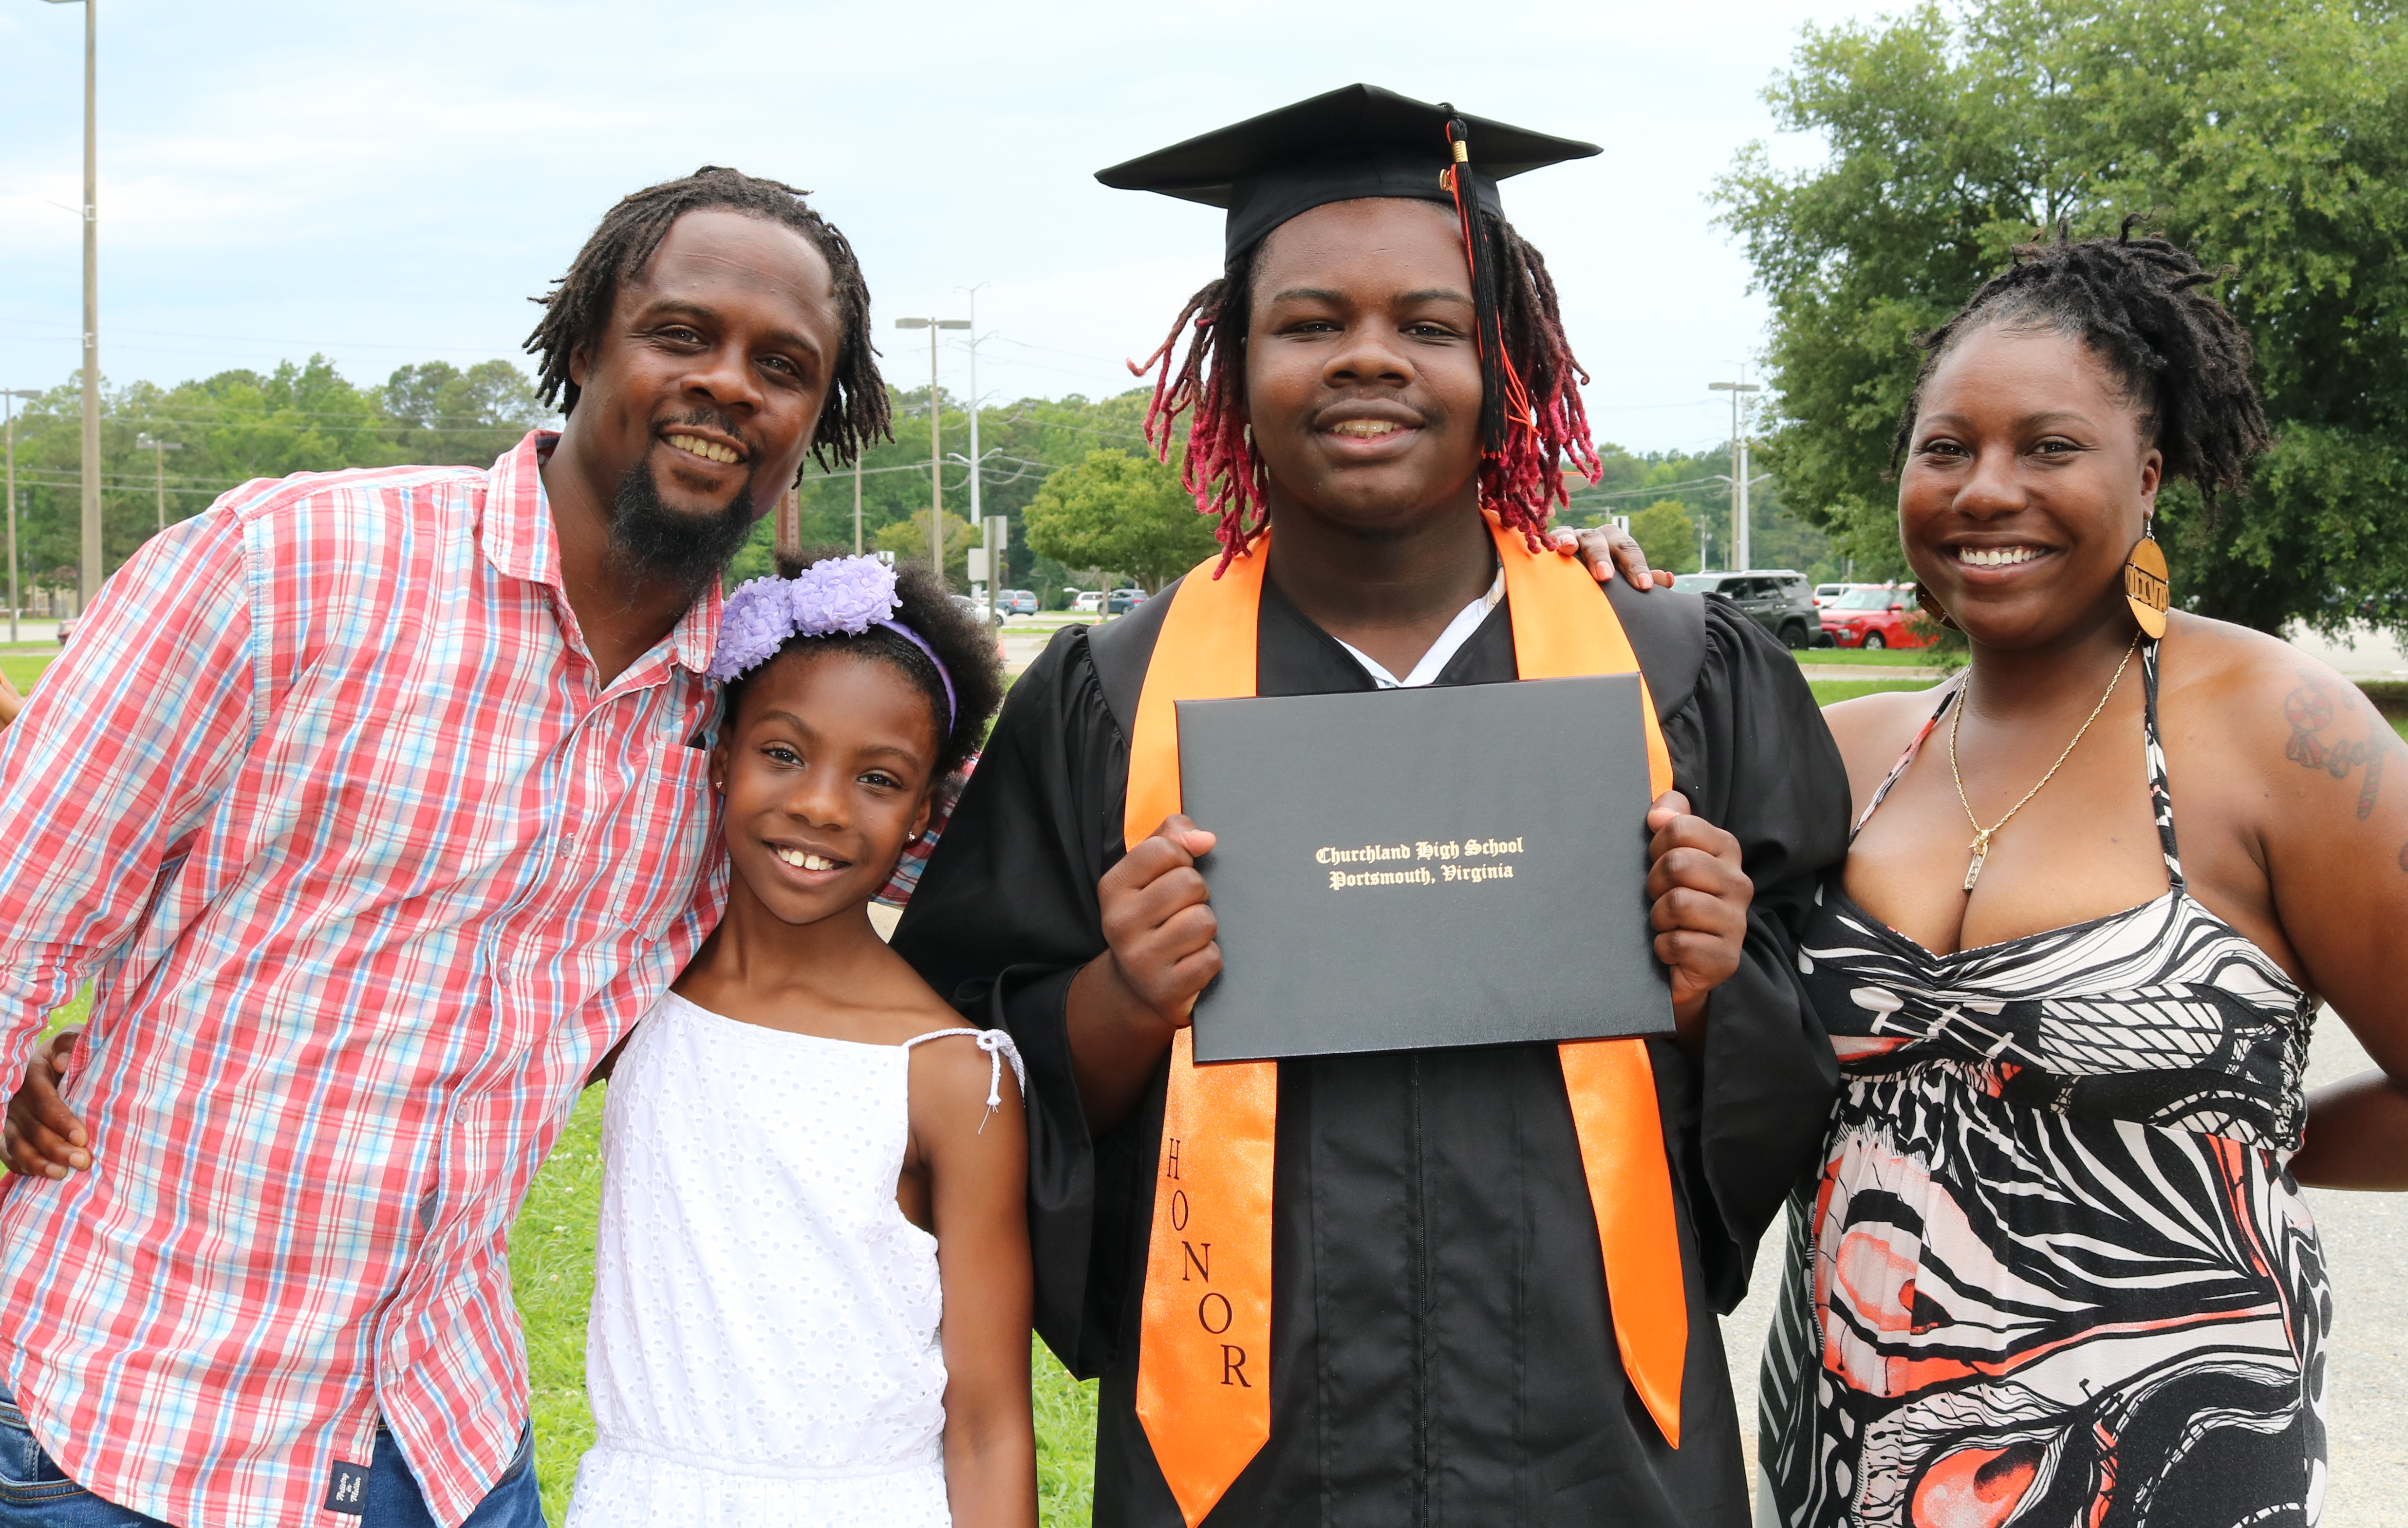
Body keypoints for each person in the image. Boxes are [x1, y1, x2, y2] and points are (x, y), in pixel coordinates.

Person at [893, 84, 1851, 1526]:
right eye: (1306, 321)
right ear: (1234, 366)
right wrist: (1116, 999)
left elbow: (1823, 1041)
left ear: (1499, 359)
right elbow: (952, 1076)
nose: (1367, 361)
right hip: (1250, 1461)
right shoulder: (1112, 694)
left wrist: (1720, 984)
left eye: (1427, 323)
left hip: (1599, 1454)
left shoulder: (1671, 673)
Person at [0, 167, 891, 1528]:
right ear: (587, 341)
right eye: (680, 333)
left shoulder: (757, 717)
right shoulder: (285, 563)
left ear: (814, 419)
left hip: (444, 1443)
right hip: (121, 1426)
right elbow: (16, 916)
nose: (728, 384)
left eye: (782, 365)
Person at [1755, 225, 2408, 1527]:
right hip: (1844, 1440)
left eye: (2047, 446)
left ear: (2145, 479)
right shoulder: (1849, 752)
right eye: (1944, 448)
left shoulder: (2273, 729)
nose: (1984, 488)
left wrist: (2222, 1154)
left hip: (2156, 1455)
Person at [560, 553, 1029, 1528]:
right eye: (784, 753)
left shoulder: (949, 1075)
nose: (820, 805)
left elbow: (988, 1424)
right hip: (638, 1500)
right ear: (721, 753)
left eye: (877, 778)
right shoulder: (636, 994)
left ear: (925, 815)